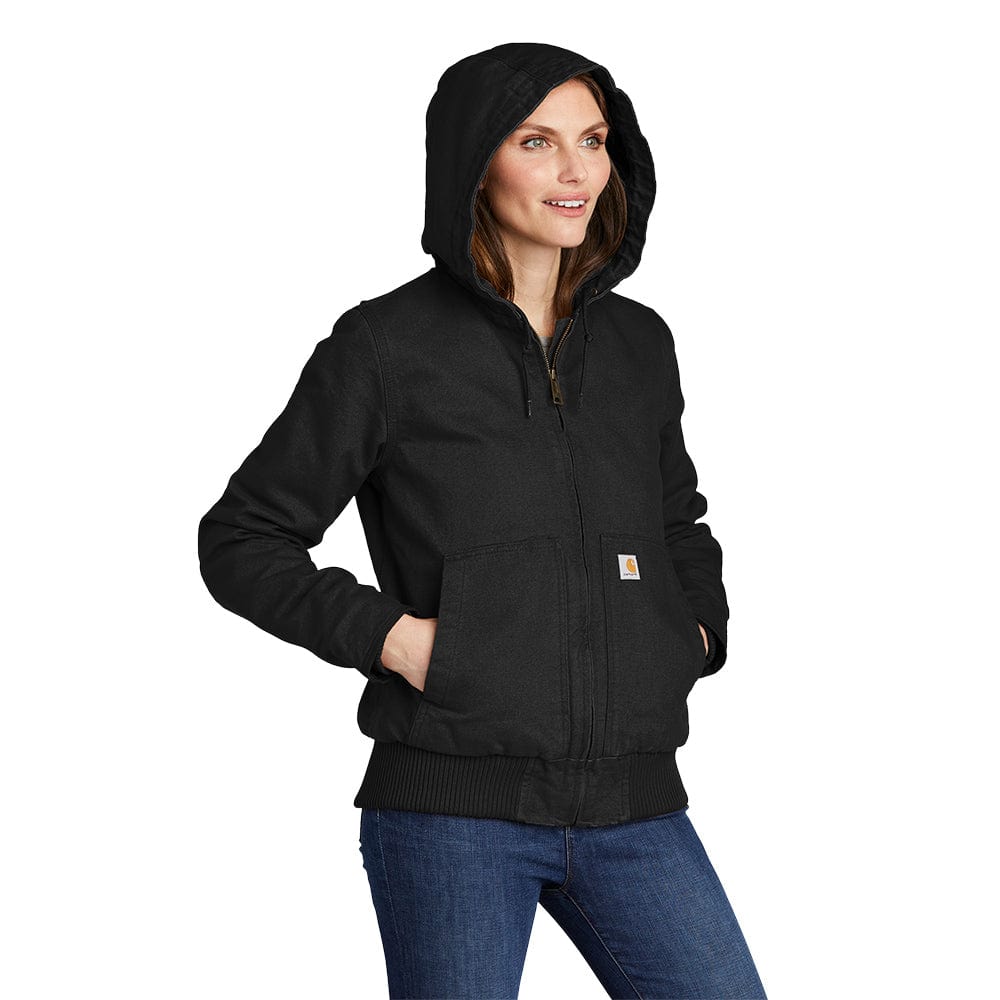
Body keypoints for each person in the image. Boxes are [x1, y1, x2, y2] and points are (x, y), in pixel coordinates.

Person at [198, 41, 767, 1000]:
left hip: (635, 804)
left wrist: (693, 634)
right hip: (451, 815)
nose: (575, 170)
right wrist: (398, 640)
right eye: (536, 141)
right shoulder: (385, 346)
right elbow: (243, 536)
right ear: (474, 160)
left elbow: (677, 518)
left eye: (593, 141)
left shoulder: (639, 343)